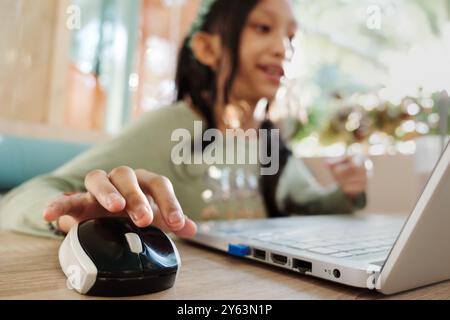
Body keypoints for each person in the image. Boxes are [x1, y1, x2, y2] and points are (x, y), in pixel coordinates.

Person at [0, 0, 367, 239]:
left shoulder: (272, 145)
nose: (282, 48)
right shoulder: (173, 128)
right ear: (207, 48)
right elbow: (20, 201)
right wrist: (72, 216)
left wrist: (347, 193)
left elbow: (307, 204)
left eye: (290, 37)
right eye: (262, 28)